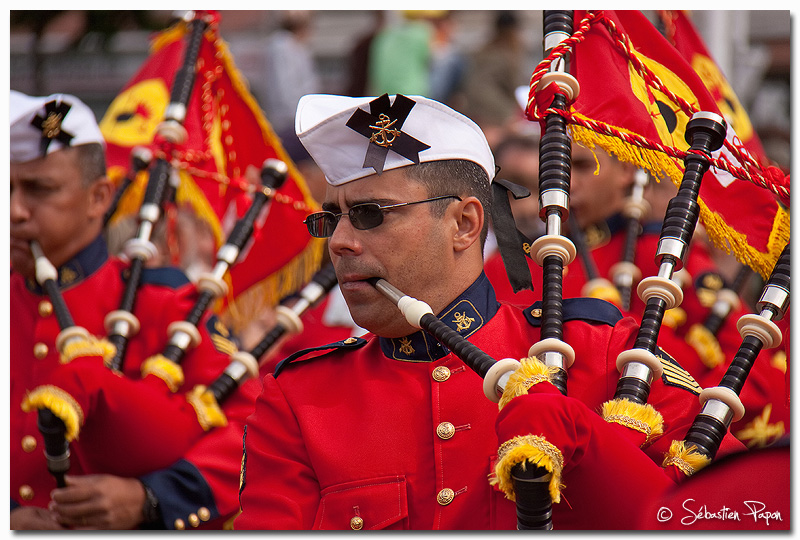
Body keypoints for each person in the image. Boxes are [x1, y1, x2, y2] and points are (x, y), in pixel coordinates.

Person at [235, 93, 745, 530]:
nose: (341, 242)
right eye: (332, 219)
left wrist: (593, 446)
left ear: (463, 223)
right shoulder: (299, 400)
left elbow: (745, 511)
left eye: (370, 215)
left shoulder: (601, 350)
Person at [10, 91, 258, 530]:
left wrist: (150, 499)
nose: (14, 210)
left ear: (98, 197)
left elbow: (249, 428)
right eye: (5, 188)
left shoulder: (163, 303)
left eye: (40, 189)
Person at [484, 134, 789, 448]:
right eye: (558, 164)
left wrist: (680, 428)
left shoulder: (663, 258)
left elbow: (750, 368)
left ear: (626, 172)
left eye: (583, 165)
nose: (567, 181)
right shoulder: (510, 265)